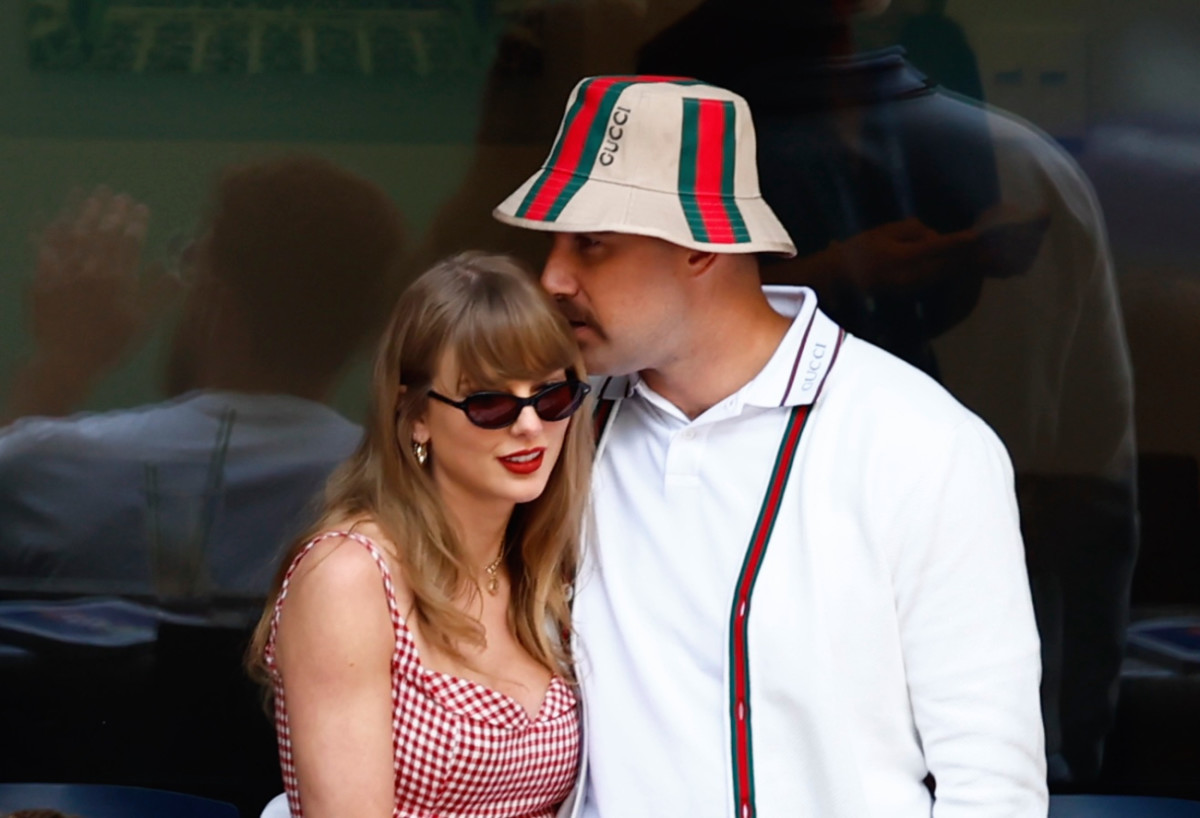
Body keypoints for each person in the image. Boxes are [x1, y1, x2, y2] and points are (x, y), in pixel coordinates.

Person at [494, 76, 1047, 816]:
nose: (553, 277)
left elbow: (992, 787)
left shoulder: (918, 442)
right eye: (553, 242)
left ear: (702, 249)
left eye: (593, 244)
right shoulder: (554, 426)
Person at [639, 0, 1137, 785]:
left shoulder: (996, 135)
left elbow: (1098, 481)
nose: (559, 279)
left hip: (966, 443)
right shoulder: (686, 84)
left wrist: (1080, 737)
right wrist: (837, 271)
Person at [246, 253, 593, 818]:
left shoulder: (548, 568)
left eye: (552, 395)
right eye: (490, 402)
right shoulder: (349, 576)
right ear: (415, 414)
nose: (530, 424)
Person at [0, 155, 403, 599]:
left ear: (216, 302)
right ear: (371, 330)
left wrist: (62, 363)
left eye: (192, 261)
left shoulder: (51, 469)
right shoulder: (410, 492)